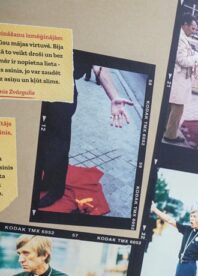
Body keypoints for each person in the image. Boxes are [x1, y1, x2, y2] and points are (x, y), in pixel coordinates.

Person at [35, 53, 134, 209]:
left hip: (63, 95)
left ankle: (56, 189)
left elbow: (98, 65)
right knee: (42, 140)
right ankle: (46, 181)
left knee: (58, 144)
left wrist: (114, 96)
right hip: (40, 88)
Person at [163, 14, 198, 144]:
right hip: (179, 79)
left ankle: (165, 130)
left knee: (171, 107)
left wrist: (196, 55)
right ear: (185, 25)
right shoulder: (180, 38)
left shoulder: (181, 37)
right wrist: (197, 57)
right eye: (192, 28)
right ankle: (170, 135)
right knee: (177, 109)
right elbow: (182, 60)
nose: (194, 32)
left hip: (179, 78)